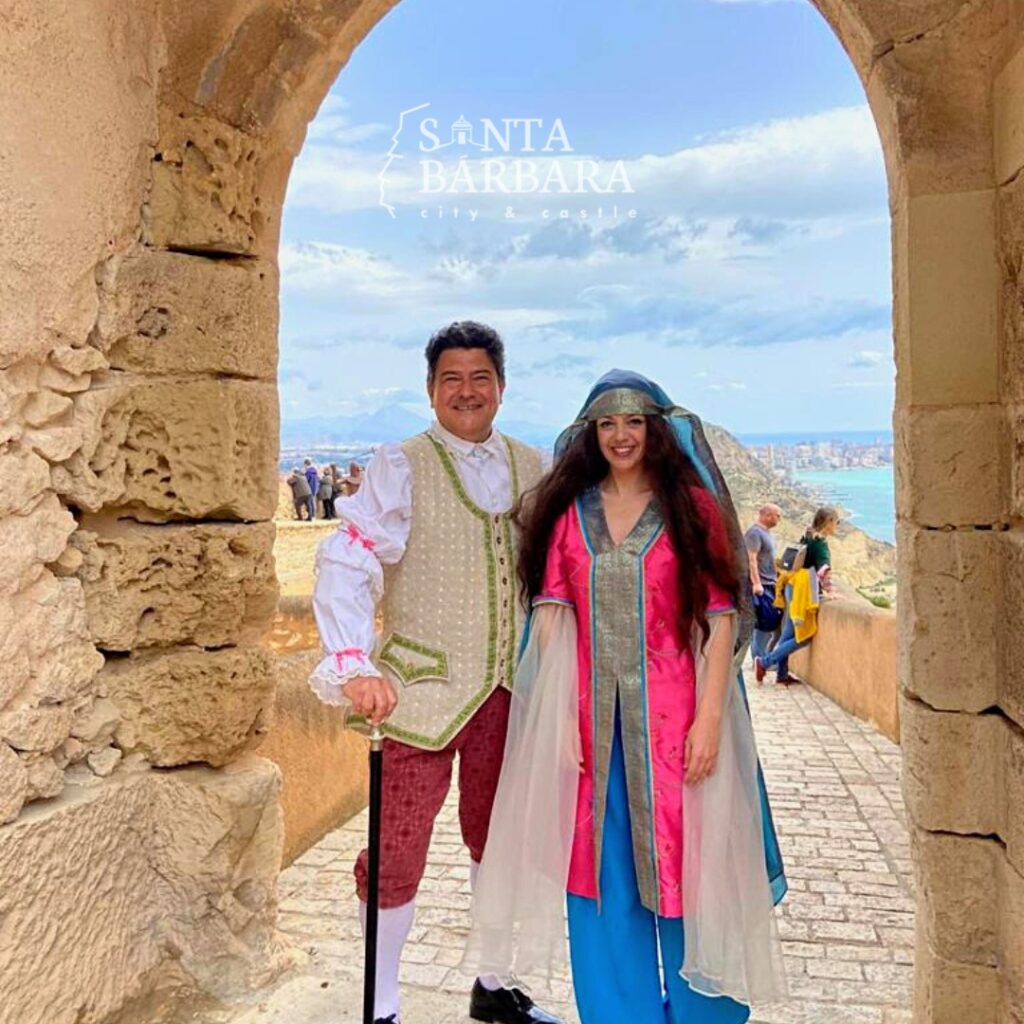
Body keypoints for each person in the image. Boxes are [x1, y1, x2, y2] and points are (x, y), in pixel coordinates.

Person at [466, 371, 787, 1024]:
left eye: (633, 422)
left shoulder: (690, 510)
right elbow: (552, 619)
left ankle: (703, 1016)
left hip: (679, 726)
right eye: (607, 424)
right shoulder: (571, 517)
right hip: (592, 734)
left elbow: (719, 616)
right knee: (602, 880)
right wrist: (558, 721)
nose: (620, 436)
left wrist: (709, 720)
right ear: (591, 434)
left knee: (689, 871)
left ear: (656, 430)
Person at [308, 321, 562, 1024]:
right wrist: (353, 663)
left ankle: (494, 984)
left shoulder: (532, 466)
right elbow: (350, 558)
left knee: (500, 846)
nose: (466, 391)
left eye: (480, 378)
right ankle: (381, 1004)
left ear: (501, 388)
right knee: (396, 850)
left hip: (507, 690)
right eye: (452, 378)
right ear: (430, 390)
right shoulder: (402, 464)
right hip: (415, 693)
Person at [754, 506, 839, 686]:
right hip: (803, 590)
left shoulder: (807, 535)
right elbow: (824, 570)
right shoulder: (820, 543)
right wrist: (830, 590)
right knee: (804, 636)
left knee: (788, 632)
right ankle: (765, 662)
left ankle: (782, 674)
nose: (837, 526)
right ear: (829, 521)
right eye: (836, 522)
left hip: (791, 584)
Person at [745, 504, 782, 665]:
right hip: (762, 586)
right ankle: (759, 660)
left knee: (768, 623)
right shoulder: (754, 533)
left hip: (770, 583)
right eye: (777, 515)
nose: (779, 519)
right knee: (764, 624)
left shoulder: (766, 534)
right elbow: (751, 559)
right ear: (767, 515)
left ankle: (761, 659)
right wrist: (756, 583)